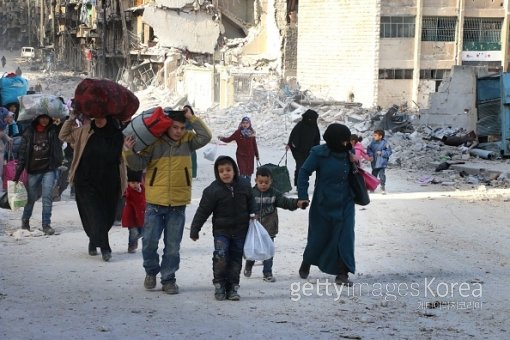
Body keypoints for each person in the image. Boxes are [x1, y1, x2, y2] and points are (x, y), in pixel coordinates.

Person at [123, 106, 211, 294]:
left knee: (172, 247)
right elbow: (138, 164)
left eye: (182, 127)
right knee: (149, 243)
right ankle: (151, 271)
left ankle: (169, 279)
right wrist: (128, 151)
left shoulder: (188, 141)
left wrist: (192, 118)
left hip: (178, 204)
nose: (179, 131)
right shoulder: (155, 143)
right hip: (155, 202)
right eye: (175, 127)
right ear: (168, 127)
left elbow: (206, 137)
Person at [59, 113, 127, 262]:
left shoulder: (117, 135)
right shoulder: (84, 130)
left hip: (110, 181)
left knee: (108, 216)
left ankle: (94, 239)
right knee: (94, 213)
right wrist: (72, 118)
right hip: (86, 180)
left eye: (102, 116)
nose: (99, 119)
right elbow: (63, 135)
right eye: (97, 116)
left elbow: (125, 156)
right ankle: (105, 247)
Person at [297, 123, 356, 286]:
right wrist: (302, 196)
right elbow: (304, 173)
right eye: (343, 141)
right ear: (334, 140)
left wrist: (355, 163)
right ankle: (307, 261)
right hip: (323, 203)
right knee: (318, 237)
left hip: (346, 202)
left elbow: (354, 174)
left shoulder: (348, 153)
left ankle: (343, 273)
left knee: (346, 237)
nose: (346, 144)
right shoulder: (318, 154)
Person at [190, 156, 256, 301]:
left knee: (235, 259)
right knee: (220, 256)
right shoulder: (212, 191)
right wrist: (195, 229)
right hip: (221, 232)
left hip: (240, 231)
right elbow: (202, 211)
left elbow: (251, 199)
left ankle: (232, 286)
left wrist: (253, 213)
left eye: (228, 170)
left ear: (234, 170)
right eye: (221, 171)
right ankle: (219, 284)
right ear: (217, 173)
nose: (225, 173)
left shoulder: (244, 185)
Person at [244, 166, 305, 282]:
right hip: (254, 229)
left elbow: (285, 202)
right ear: (255, 181)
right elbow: (243, 207)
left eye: (266, 182)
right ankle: (249, 264)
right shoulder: (251, 194)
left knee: (268, 251)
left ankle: (267, 273)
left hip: (269, 228)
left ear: (271, 181)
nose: (263, 185)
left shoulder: (274, 194)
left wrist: (297, 203)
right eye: (260, 182)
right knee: (253, 249)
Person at [14, 114, 64, 235]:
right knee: (31, 198)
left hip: (49, 169)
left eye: (47, 118)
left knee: (47, 197)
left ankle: (46, 224)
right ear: (37, 118)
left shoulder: (53, 130)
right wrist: (17, 174)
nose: (44, 120)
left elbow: (64, 130)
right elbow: (22, 154)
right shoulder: (29, 132)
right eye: (42, 118)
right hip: (33, 170)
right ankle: (25, 221)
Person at [286, 109, 320, 188]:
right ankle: (299, 185)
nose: (312, 120)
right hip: (299, 152)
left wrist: (316, 149)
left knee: (308, 169)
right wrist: (292, 144)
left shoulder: (315, 127)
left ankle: (303, 183)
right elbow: (293, 136)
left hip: (310, 152)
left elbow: (317, 139)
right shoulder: (300, 125)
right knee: (300, 167)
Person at [218, 117, 259, 182]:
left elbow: (254, 144)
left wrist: (257, 155)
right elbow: (229, 139)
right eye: (243, 123)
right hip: (241, 155)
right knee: (242, 172)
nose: (245, 124)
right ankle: (241, 186)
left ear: (249, 124)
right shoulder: (237, 133)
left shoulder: (252, 133)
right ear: (241, 123)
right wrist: (222, 138)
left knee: (248, 173)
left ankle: (247, 186)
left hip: (250, 156)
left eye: (247, 123)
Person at [121, 168, 145, 253]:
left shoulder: (143, 190)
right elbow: (125, 195)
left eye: (137, 183)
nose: (135, 185)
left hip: (141, 216)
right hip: (131, 217)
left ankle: (135, 240)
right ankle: (131, 245)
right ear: (128, 183)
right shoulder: (128, 191)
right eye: (132, 183)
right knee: (133, 232)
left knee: (142, 232)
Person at [366, 129, 392, 194]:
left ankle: (382, 187)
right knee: (373, 176)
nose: (373, 136)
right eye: (373, 135)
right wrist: (371, 155)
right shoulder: (372, 143)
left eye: (375, 135)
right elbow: (369, 149)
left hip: (382, 163)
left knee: (382, 175)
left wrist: (382, 153)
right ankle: (372, 188)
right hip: (374, 163)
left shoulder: (385, 143)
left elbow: (389, 152)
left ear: (380, 136)